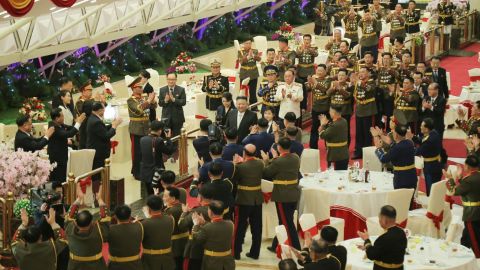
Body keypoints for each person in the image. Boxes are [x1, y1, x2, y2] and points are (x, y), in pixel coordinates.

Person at [262, 137, 301, 252]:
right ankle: (275, 245)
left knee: (287, 222)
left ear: (279, 147)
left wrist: (266, 161)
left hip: (282, 195)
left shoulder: (278, 161)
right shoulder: (295, 157)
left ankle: (297, 248)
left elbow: (267, 173)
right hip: (293, 193)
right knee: (283, 220)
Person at [231, 144, 264, 260]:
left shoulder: (240, 167)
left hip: (243, 200)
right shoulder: (260, 163)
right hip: (257, 200)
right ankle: (255, 253)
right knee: (257, 228)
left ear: (244, 153)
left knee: (239, 227)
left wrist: (235, 164)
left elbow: (233, 180)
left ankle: (236, 253)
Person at [444, 155, 480, 258]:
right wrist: (460, 179)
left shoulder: (469, 180)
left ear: (467, 167)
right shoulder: (473, 178)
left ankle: (477, 258)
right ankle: (463, 254)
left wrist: (450, 178)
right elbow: (469, 189)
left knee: (474, 239)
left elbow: (453, 192)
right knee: (466, 237)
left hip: (471, 213)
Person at [65, 197, 109, 270]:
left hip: (75, 267)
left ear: (75, 223)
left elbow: (69, 217)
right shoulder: (99, 230)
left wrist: (79, 198)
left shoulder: (69, 228)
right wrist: (99, 199)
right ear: (92, 222)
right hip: (97, 266)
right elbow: (105, 218)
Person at [358, 205, 407, 270]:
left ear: (384, 220)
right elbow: (389, 249)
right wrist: (368, 247)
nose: (379, 220)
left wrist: (366, 240)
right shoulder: (401, 233)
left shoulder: (384, 238)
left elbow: (371, 255)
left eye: (380, 218)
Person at [86, 101, 122, 190]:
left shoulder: (93, 118)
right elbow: (106, 136)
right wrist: (114, 126)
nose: (104, 112)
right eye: (103, 110)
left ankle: (99, 190)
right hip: (99, 152)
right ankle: (98, 191)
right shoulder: (96, 121)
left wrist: (111, 125)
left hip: (96, 150)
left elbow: (102, 130)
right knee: (97, 174)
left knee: (98, 173)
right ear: (100, 110)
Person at [128, 77, 157, 180]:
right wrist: (148, 100)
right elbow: (139, 110)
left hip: (146, 128)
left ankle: (144, 169)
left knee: (145, 151)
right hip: (136, 129)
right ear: (133, 88)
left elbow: (154, 106)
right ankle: (136, 172)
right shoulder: (130, 101)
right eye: (139, 87)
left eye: (141, 87)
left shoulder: (143, 98)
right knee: (137, 153)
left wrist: (152, 101)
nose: (141, 89)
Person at [191, 201, 235, 270]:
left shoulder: (207, 228)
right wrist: (204, 223)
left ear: (210, 212)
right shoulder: (230, 224)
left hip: (212, 262)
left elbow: (197, 239)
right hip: (228, 262)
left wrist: (196, 225)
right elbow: (217, 228)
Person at [179, 185, 213, 270]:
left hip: (195, 248)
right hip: (210, 247)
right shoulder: (216, 209)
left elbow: (181, 225)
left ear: (200, 197)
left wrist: (184, 213)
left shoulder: (197, 211)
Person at [48, 108, 85, 184]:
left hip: (62, 155)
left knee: (62, 175)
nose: (63, 117)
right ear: (57, 118)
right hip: (57, 157)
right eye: (62, 116)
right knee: (58, 177)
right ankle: (58, 192)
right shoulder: (54, 127)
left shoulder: (59, 124)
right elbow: (69, 134)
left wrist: (78, 123)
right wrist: (78, 123)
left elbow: (71, 128)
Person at [375, 125, 417, 191]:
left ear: (396, 135)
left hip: (401, 179)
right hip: (412, 177)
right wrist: (382, 136)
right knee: (409, 199)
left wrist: (378, 149)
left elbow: (383, 159)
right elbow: (395, 145)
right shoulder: (410, 143)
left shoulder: (397, 148)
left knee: (400, 200)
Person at [140, 120, 176, 196]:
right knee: (159, 193)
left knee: (150, 194)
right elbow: (169, 151)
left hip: (145, 172)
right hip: (156, 172)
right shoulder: (159, 140)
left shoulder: (142, 139)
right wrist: (168, 138)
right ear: (160, 130)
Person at [141, 195, 176, 270]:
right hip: (167, 259)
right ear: (162, 206)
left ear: (148, 208)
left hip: (150, 261)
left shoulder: (143, 224)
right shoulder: (171, 219)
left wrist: (148, 218)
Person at [409, 118, 443, 196]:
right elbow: (422, 141)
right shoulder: (434, 133)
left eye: (422, 126)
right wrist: (413, 137)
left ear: (427, 129)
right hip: (435, 164)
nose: (420, 127)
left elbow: (418, 151)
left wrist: (409, 142)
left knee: (431, 189)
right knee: (435, 188)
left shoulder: (429, 140)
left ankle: (432, 206)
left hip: (431, 167)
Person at [108, 204, 144, 269]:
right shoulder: (138, 226)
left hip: (116, 266)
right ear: (130, 216)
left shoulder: (110, 229)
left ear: (115, 217)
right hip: (135, 265)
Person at [353, 67, 377, 159]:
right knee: (359, 133)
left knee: (368, 133)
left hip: (368, 111)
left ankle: (367, 153)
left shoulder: (372, 82)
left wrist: (358, 82)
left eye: (363, 72)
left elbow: (368, 89)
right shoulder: (358, 83)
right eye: (360, 72)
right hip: (359, 110)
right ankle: (358, 152)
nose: (361, 74)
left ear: (368, 73)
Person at [163, 187, 189, 269]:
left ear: (173, 198)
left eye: (165, 196)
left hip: (174, 244)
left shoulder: (169, 212)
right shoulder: (183, 206)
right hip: (186, 241)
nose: (163, 198)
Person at [307, 64, 331, 149]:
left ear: (325, 71)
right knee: (314, 128)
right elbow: (308, 89)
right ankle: (313, 147)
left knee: (327, 128)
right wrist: (309, 83)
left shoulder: (328, 80)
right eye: (318, 70)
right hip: (315, 107)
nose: (319, 72)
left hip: (325, 107)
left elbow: (324, 89)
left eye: (321, 71)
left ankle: (328, 146)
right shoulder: (314, 79)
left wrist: (314, 82)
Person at [327, 68, 353, 145]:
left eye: (342, 75)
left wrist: (339, 88)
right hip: (333, 111)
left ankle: (346, 146)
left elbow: (348, 96)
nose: (340, 77)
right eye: (339, 75)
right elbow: (327, 93)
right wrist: (333, 88)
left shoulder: (349, 85)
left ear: (346, 77)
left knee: (345, 130)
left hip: (344, 111)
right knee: (331, 129)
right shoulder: (333, 83)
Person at [319, 106, 350, 170]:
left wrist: (322, 125)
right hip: (343, 154)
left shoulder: (335, 125)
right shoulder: (344, 121)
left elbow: (322, 135)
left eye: (330, 111)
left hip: (335, 156)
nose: (329, 112)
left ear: (334, 113)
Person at [296, 34, 318, 112]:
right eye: (305, 39)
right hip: (301, 71)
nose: (306, 41)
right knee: (302, 89)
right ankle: (303, 107)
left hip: (310, 71)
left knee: (311, 89)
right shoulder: (299, 47)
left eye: (308, 39)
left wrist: (309, 49)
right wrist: (301, 50)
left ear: (310, 40)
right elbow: (296, 55)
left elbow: (316, 54)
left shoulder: (313, 48)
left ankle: (312, 106)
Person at [159, 72, 186, 137]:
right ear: (166, 79)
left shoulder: (181, 89)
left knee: (177, 138)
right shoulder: (162, 90)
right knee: (166, 137)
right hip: (166, 118)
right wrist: (165, 101)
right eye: (169, 79)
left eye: (173, 79)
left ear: (176, 80)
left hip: (178, 118)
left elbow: (183, 102)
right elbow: (160, 103)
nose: (171, 81)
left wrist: (174, 100)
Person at [377, 52, 399, 130]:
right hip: (380, 95)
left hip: (389, 95)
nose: (386, 60)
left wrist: (389, 70)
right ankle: (382, 128)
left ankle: (390, 128)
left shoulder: (394, 70)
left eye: (387, 59)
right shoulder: (379, 69)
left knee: (389, 113)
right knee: (381, 113)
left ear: (391, 60)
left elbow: (397, 77)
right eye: (384, 59)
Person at [238, 36, 261, 106]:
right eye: (247, 43)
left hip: (253, 74)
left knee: (253, 92)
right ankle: (242, 105)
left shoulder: (255, 50)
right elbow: (241, 62)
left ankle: (253, 107)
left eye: (250, 43)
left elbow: (259, 59)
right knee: (243, 91)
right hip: (244, 74)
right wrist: (248, 57)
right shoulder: (240, 52)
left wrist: (253, 55)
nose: (248, 45)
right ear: (243, 44)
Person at [75, 80, 94, 149]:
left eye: (91, 90)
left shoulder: (92, 100)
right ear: (83, 91)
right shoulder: (79, 103)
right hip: (84, 133)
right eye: (89, 90)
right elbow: (85, 114)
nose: (91, 92)